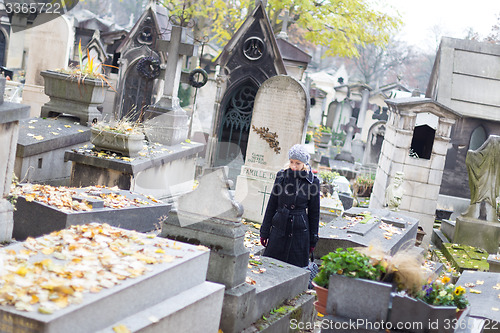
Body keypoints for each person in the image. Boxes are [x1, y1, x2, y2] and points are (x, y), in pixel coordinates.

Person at [259, 144, 320, 268]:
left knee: (294, 270)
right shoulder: (281, 176)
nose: (293, 166)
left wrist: (313, 239)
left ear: (304, 163)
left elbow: (314, 212)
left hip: (299, 231)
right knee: (270, 266)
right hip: (279, 228)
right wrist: (264, 231)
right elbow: (272, 204)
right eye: (292, 162)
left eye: (298, 163)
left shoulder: (313, 182)